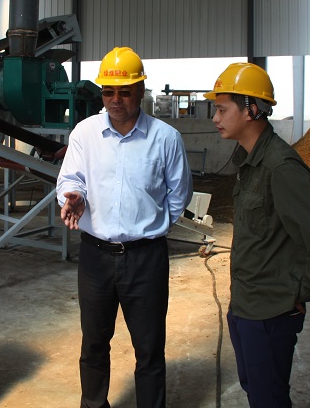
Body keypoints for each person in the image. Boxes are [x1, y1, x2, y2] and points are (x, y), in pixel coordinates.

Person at [57, 47, 193, 408]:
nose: (115, 100)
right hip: (95, 256)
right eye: (108, 92)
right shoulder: (85, 133)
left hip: (146, 259)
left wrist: (150, 227)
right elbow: (70, 178)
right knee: (93, 344)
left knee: (149, 349)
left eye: (125, 92)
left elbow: (178, 196)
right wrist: (74, 195)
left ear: (141, 90)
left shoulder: (165, 138)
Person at [205, 63, 310, 408]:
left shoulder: (280, 167)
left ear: (251, 109)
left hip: (270, 313)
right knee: (257, 391)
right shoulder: (249, 161)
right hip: (246, 305)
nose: (215, 118)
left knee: (269, 398)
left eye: (222, 109)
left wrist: (296, 293)